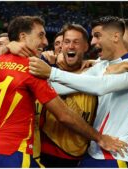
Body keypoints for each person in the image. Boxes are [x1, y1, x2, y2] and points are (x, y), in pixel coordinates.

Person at [0, 16, 127, 168]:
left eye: (76, 42)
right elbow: (63, 115)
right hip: (17, 152)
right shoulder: (36, 68)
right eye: (40, 35)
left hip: (7, 150)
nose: (45, 41)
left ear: (86, 47)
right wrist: (100, 138)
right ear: (23, 36)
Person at [28, 16, 128, 168]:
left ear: (115, 36)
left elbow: (101, 86)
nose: (93, 42)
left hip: (117, 154)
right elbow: (65, 87)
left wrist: (51, 72)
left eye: (97, 36)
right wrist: (29, 76)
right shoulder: (100, 65)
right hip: (94, 152)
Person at [38, 24, 97, 167]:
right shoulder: (46, 69)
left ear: (86, 47)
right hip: (48, 150)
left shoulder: (97, 71)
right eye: (66, 42)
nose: (70, 46)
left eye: (76, 42)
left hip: (82, 153)